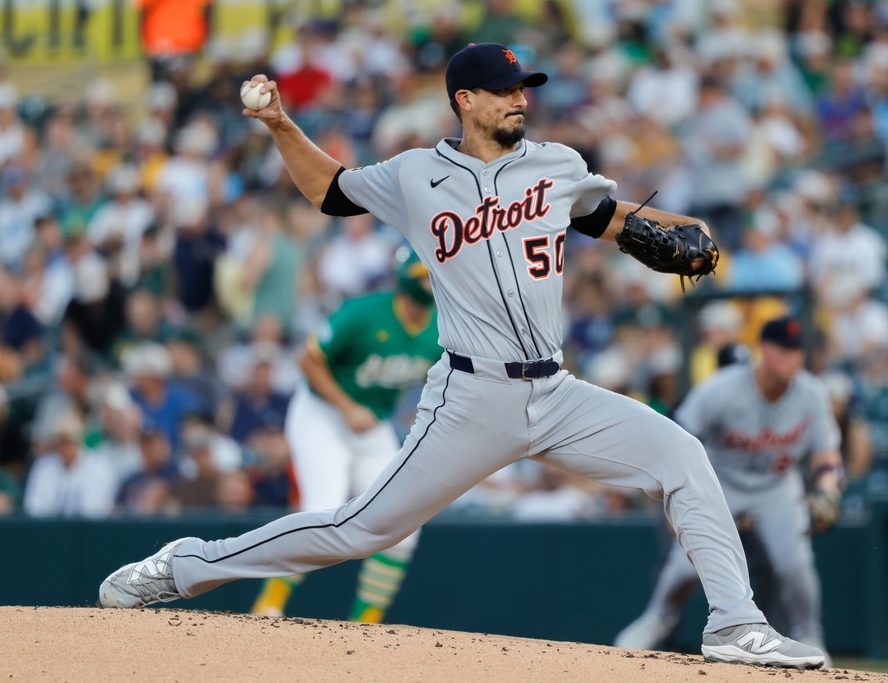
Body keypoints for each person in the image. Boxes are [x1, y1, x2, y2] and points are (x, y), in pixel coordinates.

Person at [98, 43, 825, 669]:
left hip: (558, 392)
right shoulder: (417, 175)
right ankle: (181, 566)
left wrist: (678, 227)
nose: (520, 100)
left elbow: (615, 220)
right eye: (507, 91)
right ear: (466, 100)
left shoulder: (557, 164)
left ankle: (735, 623)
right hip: (471, 398)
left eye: (525, 89)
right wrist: (281, 124)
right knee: (361, 529)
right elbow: (329, 188)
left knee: (683, 457)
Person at [615, 317, 842, 663]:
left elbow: (827, 453)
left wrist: (828, 488)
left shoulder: (811, 393)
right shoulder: (721, 389)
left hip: (777, 489)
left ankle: (810, 634)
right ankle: (657, 618)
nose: (792, 359)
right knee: (684, 566)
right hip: (722, 483)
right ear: (764, 350)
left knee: (795, 562)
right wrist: (673, 497)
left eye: (797, 352)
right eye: (784, 350)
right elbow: (677, 438)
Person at [250, 252, 442, 622]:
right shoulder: (365, 312)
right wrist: (346, 407)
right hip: (321, 413)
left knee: (401, 525)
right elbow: (308, 360)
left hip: (372, 424)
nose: (428, 283)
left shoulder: (442, 327)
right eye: (423, 275)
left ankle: (364, 625)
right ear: (404, 277)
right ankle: (269, 604)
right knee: (322, 508)